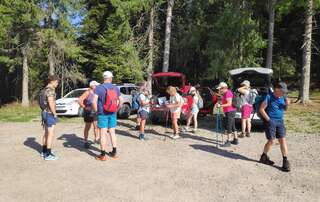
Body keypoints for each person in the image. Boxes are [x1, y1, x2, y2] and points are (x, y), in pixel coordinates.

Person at [259, 82, 291, 172]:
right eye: (282, 91)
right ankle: (264, 156)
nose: (284, 93)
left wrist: (287, 104)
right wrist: (269, 120)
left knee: (282, 140)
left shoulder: (283, 97)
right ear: (277, 89)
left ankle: (285, 161)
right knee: (271, 141)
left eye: (284, 92)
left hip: (280, 121)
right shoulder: (268, 97)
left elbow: (285, 109)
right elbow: (261, 109)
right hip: (271, 121)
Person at [93, 71, 123, 161]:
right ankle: (114, 152)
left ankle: (103, 155)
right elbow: (121, 100)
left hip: (102, 113)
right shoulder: (115, 88)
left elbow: (94, 101)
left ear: (103, 78)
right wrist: (117, 109)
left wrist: (96, 111)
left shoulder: (99, 88)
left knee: (103, 133)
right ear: (111, 78)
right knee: (112, 132)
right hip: (113, 113)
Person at [41, 75, 59, 161]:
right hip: (49, 113)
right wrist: (54, 113)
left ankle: (44, 151)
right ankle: (48, 154)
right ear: (52, 81)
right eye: (57, 82)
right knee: (50, 133)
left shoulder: (44, 89)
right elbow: (51, 102)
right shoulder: (50, 90)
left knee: (46, 133)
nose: (57, 84)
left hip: (44, 112)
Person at [215, 82, 238, 147]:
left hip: (230, 111)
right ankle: (235, 140)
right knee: (232, 125)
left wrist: (220, 106)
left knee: (229, 126)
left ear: (224, 88)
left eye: (220, 89)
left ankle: (228, 141)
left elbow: (229, 103)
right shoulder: (225, 93)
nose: (219, 90)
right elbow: (223, 99)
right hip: (230, 111)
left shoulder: (228, 93)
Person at [78, 80, 100, 148]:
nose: (97, 86)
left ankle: (96, 139)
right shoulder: (87, 92)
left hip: (95, 111)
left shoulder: (96, 92)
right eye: (96, 85)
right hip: (88, 112)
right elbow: (79, 100)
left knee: (96, 126)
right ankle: (85, 141)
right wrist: (85, 107)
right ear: (92, 86)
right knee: (88, 127)